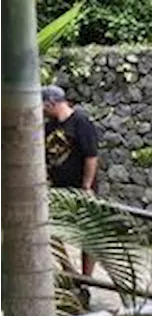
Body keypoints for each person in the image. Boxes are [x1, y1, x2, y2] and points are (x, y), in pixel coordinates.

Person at [43, 85, 101, 277]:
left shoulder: (80, 122)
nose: (41, 110)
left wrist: (86, 184)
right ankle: (69, 269)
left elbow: (91, 155)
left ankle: (87, 278)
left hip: (79, 187)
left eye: (43, 105)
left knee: (88, 233)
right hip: (58, 188)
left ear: (51, 103)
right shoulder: (49, 126)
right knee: (51, 228)